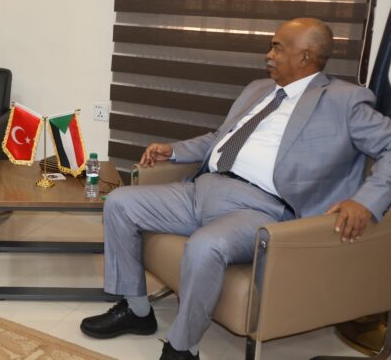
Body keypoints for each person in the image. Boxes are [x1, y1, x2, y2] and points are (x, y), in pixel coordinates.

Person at [80, 18, 391, 360]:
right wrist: (175, 150)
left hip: (260, 209)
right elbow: (222, 138)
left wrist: (366, 201)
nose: (268, 55)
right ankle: (138, 311)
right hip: (202, 190)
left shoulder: (344, 100)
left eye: (277, 47)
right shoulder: (258, 89)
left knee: (204, 246)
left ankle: (182, 347)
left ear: (305, 56)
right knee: (120, 202)